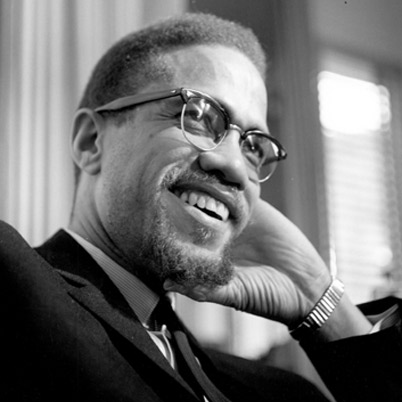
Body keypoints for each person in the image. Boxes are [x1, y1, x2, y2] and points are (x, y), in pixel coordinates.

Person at [1, 12, 401, 402]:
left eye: (253, 147)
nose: (236, 168)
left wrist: (316, 294)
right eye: (197, 115)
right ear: (91, 142)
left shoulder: (280, 392)